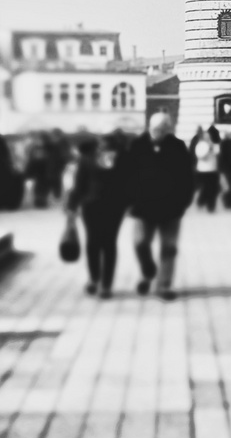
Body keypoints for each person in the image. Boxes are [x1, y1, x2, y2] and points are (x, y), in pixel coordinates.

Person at [126, 113, 194, 299]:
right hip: (143, 207)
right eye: (156, 129)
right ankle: (148, 271)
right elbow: (127, 174)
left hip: (171, 207)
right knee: (140, 243)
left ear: (169, 129)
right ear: (150, 127)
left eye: (164, 129)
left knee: (169, 247)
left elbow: (187, 176)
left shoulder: (178, 147)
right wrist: (130, 200)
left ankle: (164, 285)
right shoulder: (138, 145)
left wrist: (183, 201)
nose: (159, 132)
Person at [66, 133, 129, 299]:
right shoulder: (87, 158)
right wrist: (72, 206)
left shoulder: (123, 157)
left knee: (108, 243)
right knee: (93, 242)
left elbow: (129, 182)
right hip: (91, 206)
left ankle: (106, 285)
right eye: (102, 139)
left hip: (115, 207)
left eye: (108, 139)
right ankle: (94, 279)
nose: (104, 142)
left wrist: (129, 203)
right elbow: (79, 183)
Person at [189, 126, 221, 212]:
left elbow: (218, 152)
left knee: (213, 189)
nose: (207, 138)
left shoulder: (214, 145)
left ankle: (210, 205)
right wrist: (208, 150)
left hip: (213, 169)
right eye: (206, 137)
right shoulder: (200, 145)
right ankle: (202, 201)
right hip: (203, 170)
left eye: (208, 137)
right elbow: (200, 155)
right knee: (206, 188)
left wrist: (212, 148)